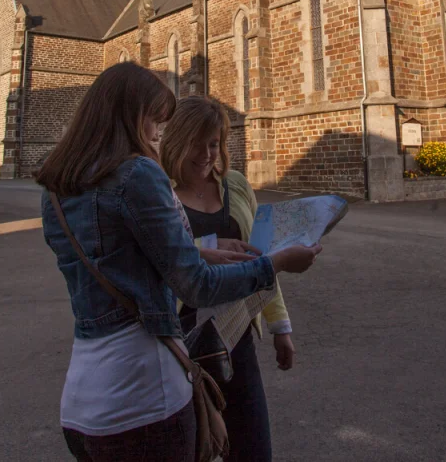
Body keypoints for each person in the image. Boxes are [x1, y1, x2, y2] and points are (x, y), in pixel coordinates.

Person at [37, 62, 321, 462]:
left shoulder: (55, 190)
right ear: (132, 116)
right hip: (145, 397)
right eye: (155, 120)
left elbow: (114, 261)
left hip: (83, 405)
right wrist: (275, 264)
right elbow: (197, 285)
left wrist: (196, 250)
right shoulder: (140, 173)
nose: (157, 133)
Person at [160, 96, 295, 462]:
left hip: (237, 338)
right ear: (175, 141)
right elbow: (158, 260)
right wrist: (207, 245)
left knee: (253, 449)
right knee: (192, 450)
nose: (206, 154)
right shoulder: (159, 195)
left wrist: (280, 326)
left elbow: (261, 258)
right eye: (196, 143)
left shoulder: (235, 186)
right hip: (182, 343)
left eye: (214, 143)